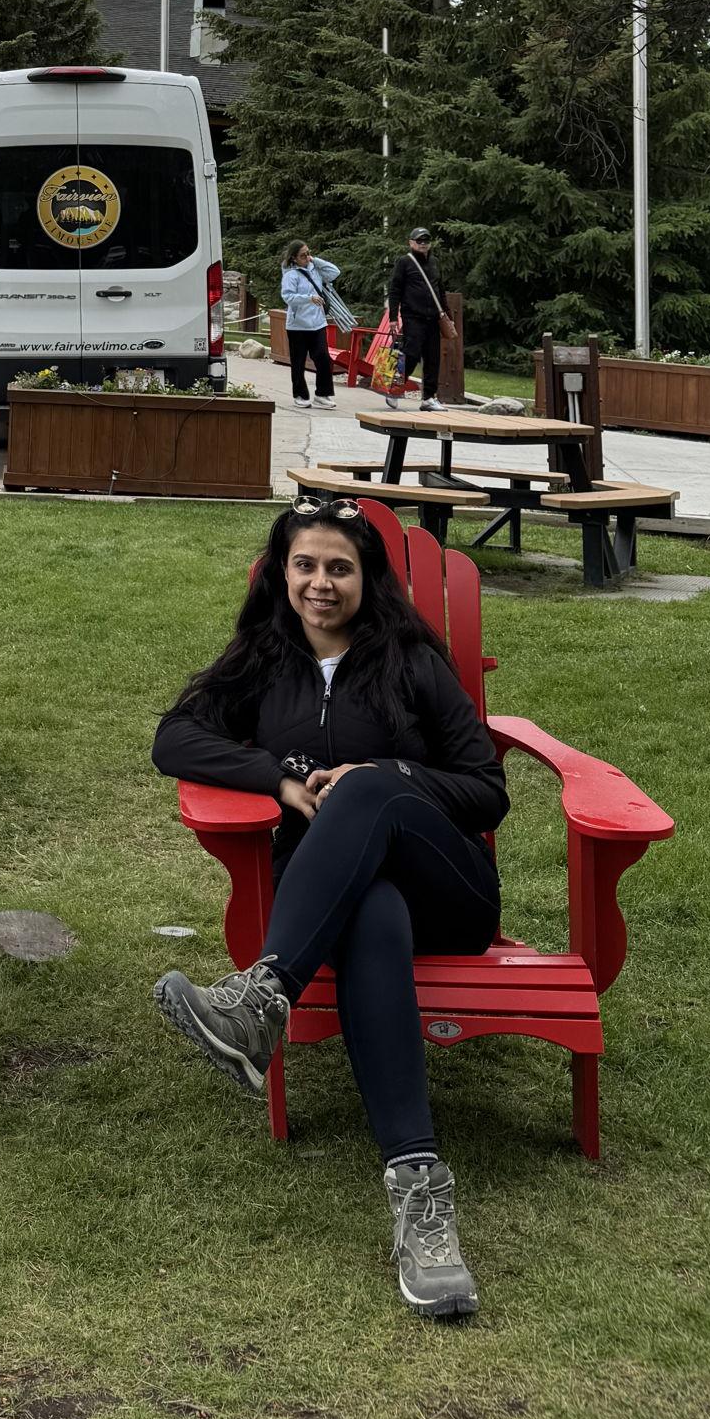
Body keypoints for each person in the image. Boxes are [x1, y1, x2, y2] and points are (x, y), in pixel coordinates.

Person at [149, 499, 508, 1320]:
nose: (320, 582)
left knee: (374, 787)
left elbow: (488, 790)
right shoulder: (262, 661)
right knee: (370, 909)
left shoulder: (411, 659)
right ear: (283, 574)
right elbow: (174, 737)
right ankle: (421, 1196)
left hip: (448, 892)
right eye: (305, 565)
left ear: (366, 577)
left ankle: (263, 997)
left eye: (339, 567)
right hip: (345, 905)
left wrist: (389, 777)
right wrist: (274, 776)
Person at [385, 226, 455, 413]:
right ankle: (394, 389)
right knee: (412, 354)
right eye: (419, 241)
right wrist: (393, 317)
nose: (423, 244)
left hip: (433, 317)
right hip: (413, 316)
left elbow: (440, 291)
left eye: (426, 241)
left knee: (433, 358)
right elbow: (395, 290)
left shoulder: (434, 262)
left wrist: (448, 315)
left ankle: (429, 398)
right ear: (411, 243)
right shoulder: (404, 262)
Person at [279, 241, 341, 410]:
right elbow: (288, 297)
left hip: (317, 323)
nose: (306, 258)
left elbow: (335, 272)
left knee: (323, 358)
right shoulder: (290, 275)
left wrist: (316, 260)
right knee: (298, 361)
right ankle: (300, 394)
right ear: (294, 258)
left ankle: (322, 394)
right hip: (298, 325)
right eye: (303, 255)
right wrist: (308, 298)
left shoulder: (315, 269)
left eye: (308, 253)